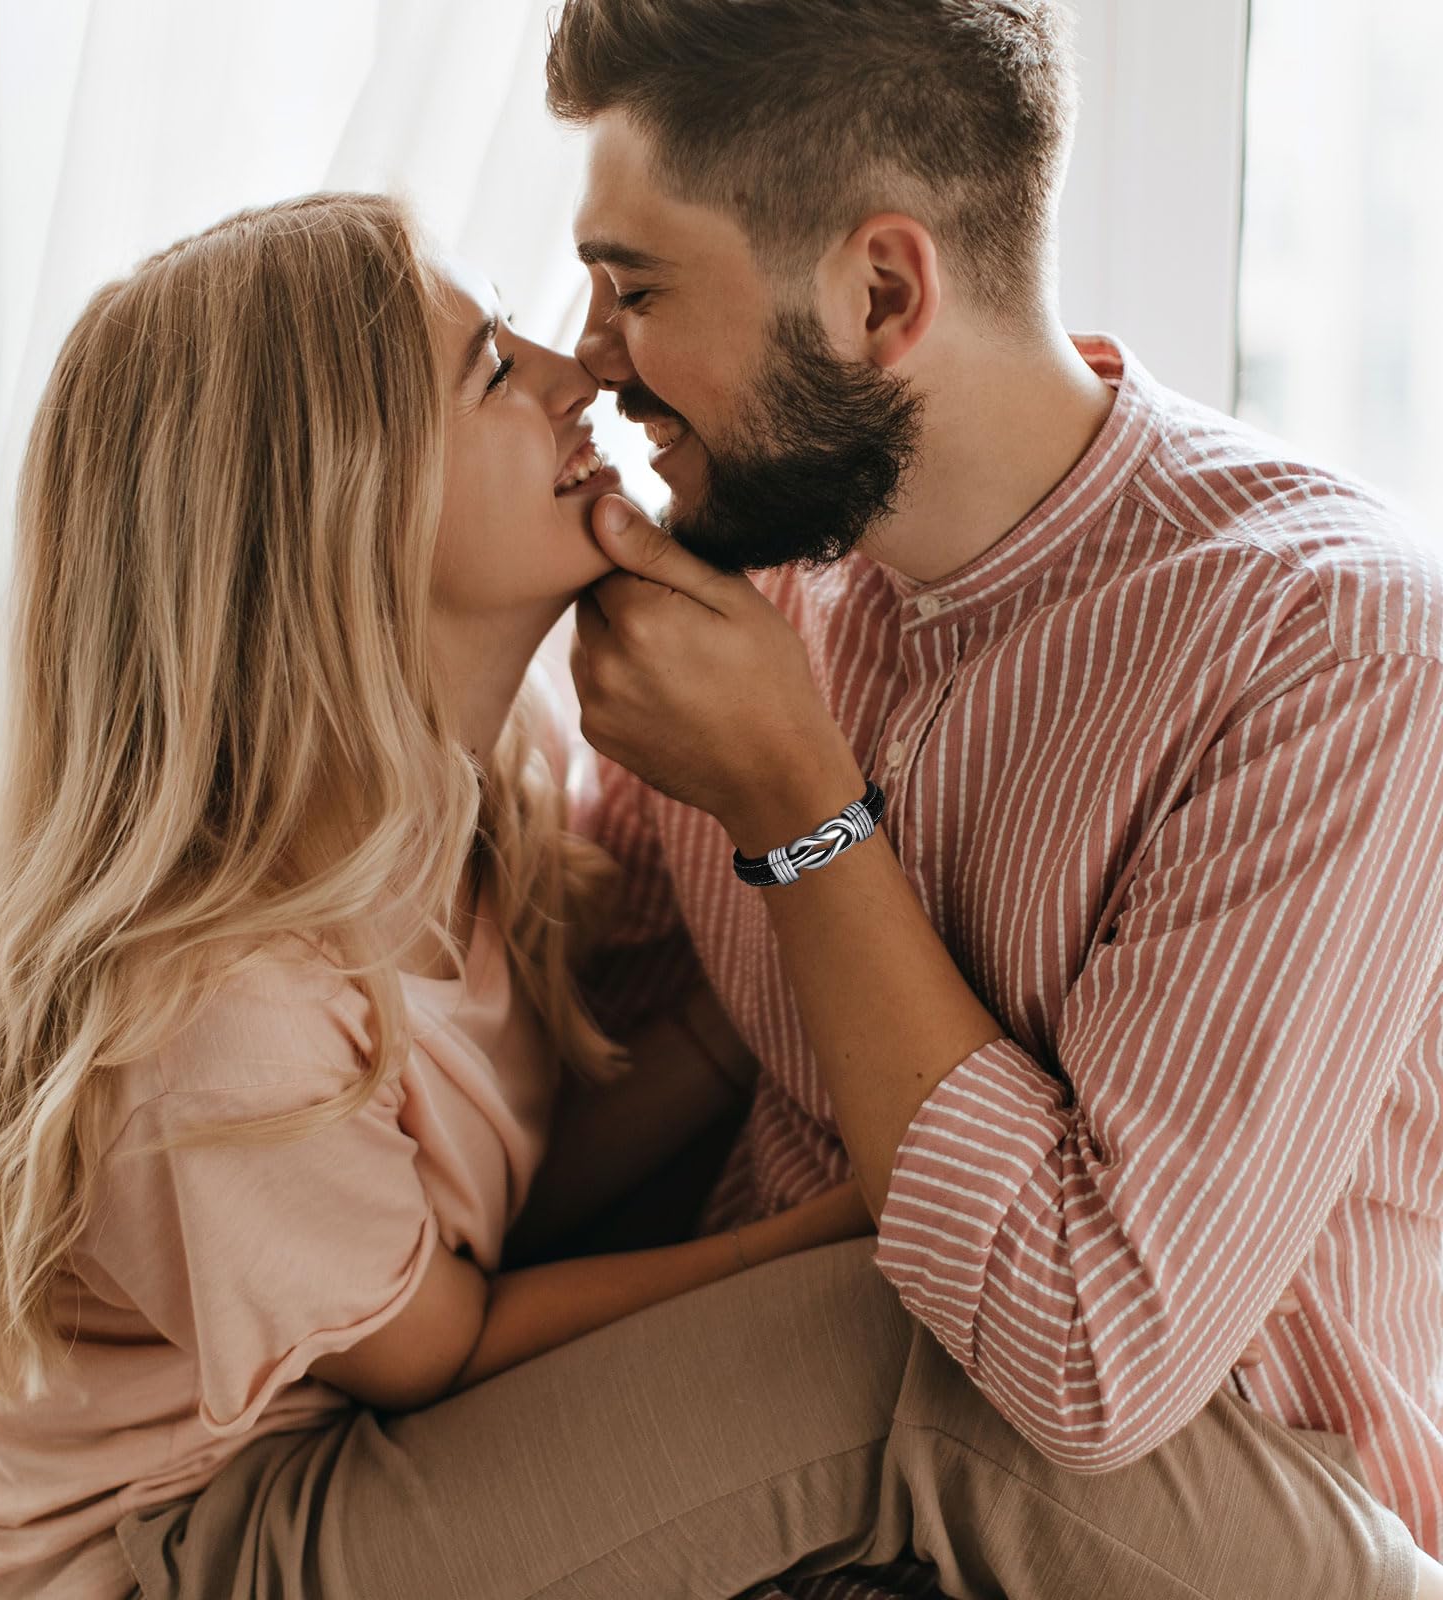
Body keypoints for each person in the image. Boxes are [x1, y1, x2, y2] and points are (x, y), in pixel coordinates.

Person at [0, 194, 898, 1599]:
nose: (576, 371)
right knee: (859, 1355)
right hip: (136, 1550)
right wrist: (840, 1228)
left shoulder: (474, 798)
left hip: (312, 1439)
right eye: (493, 370)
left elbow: (452, 1207)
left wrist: (746, 1026)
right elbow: (440, 1337)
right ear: (339, 520)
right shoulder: (214, 1019)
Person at [542, 1, 1443, 1597]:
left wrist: (797, 806)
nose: (589, 355)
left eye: (636, 286)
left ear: (881, 291)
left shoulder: (1336, 650)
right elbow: (573, 1095)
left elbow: (1088, 1364)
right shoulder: (755, 583)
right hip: (777, 1513)